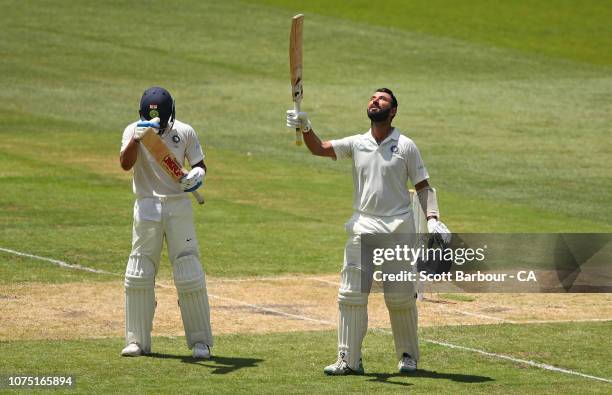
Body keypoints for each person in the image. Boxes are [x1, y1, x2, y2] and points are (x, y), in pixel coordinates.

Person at [286, 88, 451, 375]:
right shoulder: (357, 143)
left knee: (399, 297)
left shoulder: (406, 145)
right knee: (351, 294)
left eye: (382, 99)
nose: (375, 101)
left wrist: (434, 218)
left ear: (393, 110)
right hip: (363, 225)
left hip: (399, 227)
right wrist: (305, 125)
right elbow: (319, 148)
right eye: (373, 98)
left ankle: (408, 357)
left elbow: (423, 185)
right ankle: (348, 360)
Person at [119, 86, 213, 358]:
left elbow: (200, 166)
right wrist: (136, 140)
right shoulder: (132, 131)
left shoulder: (184, 131)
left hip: (178, 207)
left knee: (188, 270)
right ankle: (136, 341)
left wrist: (195, 174)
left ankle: (200, 342)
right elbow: (125, 164)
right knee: (139, 272)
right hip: (146, 206)